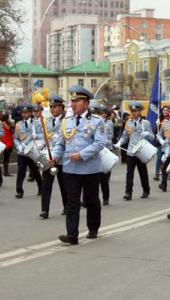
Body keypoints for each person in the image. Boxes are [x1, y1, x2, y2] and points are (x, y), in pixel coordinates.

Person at [51, 85, 106, 245]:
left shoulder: (97, 121)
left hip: (90, 169)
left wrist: (81, 155)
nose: (73, 104)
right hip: (70, 168)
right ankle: (72, 234)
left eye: (77, 101)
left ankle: (93, 227)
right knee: (72, 202)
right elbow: (61, 143)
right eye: (72, 101)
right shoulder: (66, 122)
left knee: (91, 200)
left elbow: (99, 144)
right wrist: (54, 155)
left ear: (86, 104)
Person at [114, 101, 155, 201]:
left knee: (142, 172)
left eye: (136, 111)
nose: (134, 113)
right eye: (132, 111)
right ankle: (128, 193)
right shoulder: (128, 122)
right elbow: (125, 136)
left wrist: (147, 134)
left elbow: (153, 137)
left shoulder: (146, 123)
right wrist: (119, 143)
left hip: (141, 151)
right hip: (131, 151)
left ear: (140, 111)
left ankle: (146, 190)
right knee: (129, 173)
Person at [39, 94, 67, 219]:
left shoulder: (66, 121)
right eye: (51, 107)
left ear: (61, 107)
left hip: (62, 158)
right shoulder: (46, 121)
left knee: (64, 184)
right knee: (46, 185)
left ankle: (66, 206)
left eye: (55, 107)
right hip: (49, 158)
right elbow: (43, 137)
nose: (52, 109)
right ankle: (45, 209)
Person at [13, 102, 43, 199]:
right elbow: (15, 138)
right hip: (22, 151)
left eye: (26, 112)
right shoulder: (18, 124)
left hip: (32, 151)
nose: (24, 114)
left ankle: (41, 188)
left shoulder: (37, 123)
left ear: (30, 113)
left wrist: (36, 136)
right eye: (23, 112)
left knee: (35, 171)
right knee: (20, 171)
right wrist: (18, 146)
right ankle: (19, 191)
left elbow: (42, 136)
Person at [89, 103, 113, 206]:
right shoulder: (87, 124)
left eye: (97, 113)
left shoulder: (107, 124)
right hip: (91, 154)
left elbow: (110, 139)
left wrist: (102, 141)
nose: (95, 115)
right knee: (88, 179)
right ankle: (86, 200)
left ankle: (105, 198)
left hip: (103, 152)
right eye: (92, 113)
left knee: (103, 178)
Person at [157, 104, 170, 192]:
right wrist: (161, 140)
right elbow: (159, 134)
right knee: (165, 167)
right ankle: (163, 184)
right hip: (167, 148)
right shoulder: (165, 123)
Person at [154, 105, 169, 181]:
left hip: (168, 142)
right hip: (160, 142)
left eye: (167, 110)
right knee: (159, 158)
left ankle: (167, 173)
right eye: (164, 110)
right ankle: (157, 173)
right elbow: (155, 132)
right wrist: (157, 125)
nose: (165, 112)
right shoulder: (159, 120)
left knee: (167, 159)